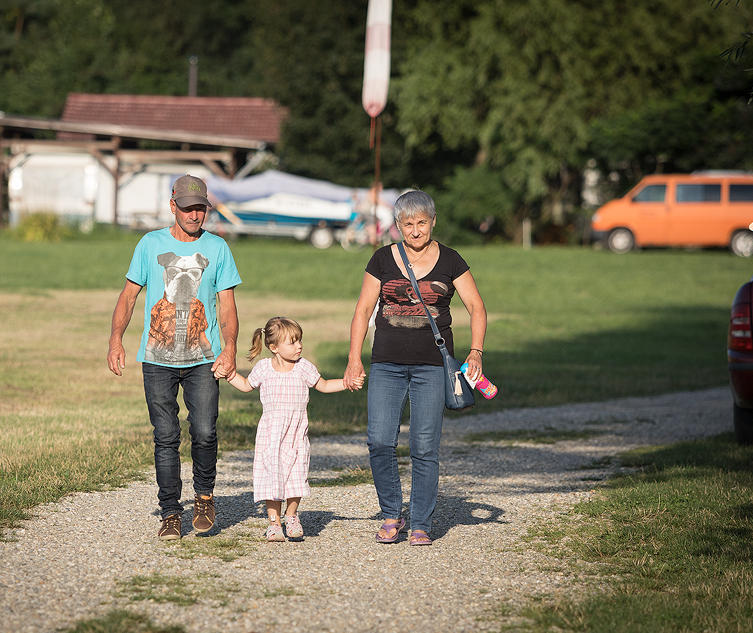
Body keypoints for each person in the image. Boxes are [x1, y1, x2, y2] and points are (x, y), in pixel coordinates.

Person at [344, 190, 487, 546]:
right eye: (408, 224)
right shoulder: (381, 259)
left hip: (432, 367)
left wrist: (476, 352)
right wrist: (353, 359)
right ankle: (392, 514)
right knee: (379, 440)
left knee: (424, 446)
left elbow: (477, 308)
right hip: (386, 364)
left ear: (433, 221)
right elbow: (362, 311)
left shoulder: (452, 260)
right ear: (397, 226)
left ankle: (421, 521)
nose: (416, 230)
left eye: (422, 222)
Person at [107, 175, 242, 541]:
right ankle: (170, 512)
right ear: (173, 206)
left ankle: (203, 497)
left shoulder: (218, 249)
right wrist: (115, 339)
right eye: (187, 208)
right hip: (157, 358)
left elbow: (227, 308)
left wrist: (229, 348)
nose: (195, 214)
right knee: (165, 435)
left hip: (203, 357)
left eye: (200, 208)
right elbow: (129, 295)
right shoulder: (150, 244)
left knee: (204, 431)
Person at [220, 317, 363, 541]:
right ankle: (274, 523)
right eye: (293, 342)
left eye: (300, 341)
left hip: (296, 434)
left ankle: (292, 516)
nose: (299, 346)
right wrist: (227, 375)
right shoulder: (263, 368)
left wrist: (346, 383)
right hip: (271, 435)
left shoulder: (304, 367)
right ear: (274, 347)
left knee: (296, 477)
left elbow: (323, 385)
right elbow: (246, 386)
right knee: (272, 478)